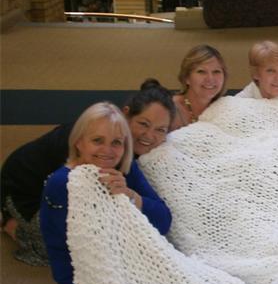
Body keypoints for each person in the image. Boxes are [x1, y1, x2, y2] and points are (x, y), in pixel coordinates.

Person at [0, 79, 175, 266]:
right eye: (143, 124)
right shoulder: (80, 151)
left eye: (160, 130)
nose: (149, 135)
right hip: (24, 188)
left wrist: (131, 195)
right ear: (126, 114)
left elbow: (163, 220)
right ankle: (8, 222)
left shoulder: (125, 155)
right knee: (72, 252)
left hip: (60, 193)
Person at [40, 102, 172, 284]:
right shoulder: (64, 183)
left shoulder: (124, 169)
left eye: (116, 143)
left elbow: (164, 221)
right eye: (97, 140)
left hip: (138, 278)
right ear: (79, 142)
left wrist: (130, 195)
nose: (107, 151)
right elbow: (95, 251)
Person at [172, 44, 228, 128]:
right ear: (186, 77)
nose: (210, 78)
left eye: (216, 71)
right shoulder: (169, 109)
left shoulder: (227, 109)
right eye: (201, 71)